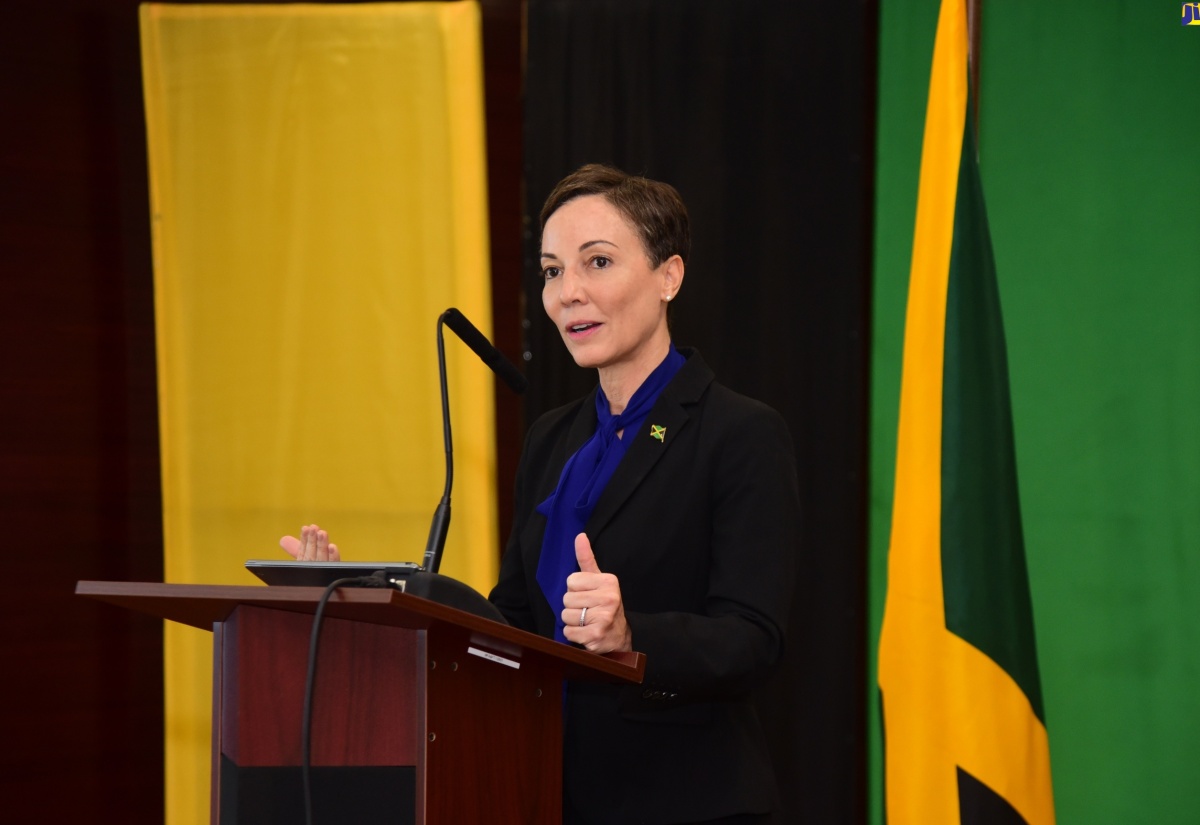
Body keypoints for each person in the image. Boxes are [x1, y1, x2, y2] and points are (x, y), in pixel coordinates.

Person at [283, 164, 801, 825]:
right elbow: (514, 623)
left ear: (669, 275)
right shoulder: (553, 439)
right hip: (539, 790)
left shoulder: (740, 433)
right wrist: (364, 598)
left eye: (598, 262)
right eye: (553, 270)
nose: (568, 293)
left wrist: (631, 633)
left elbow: (753, 640)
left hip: (684, 802)